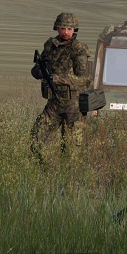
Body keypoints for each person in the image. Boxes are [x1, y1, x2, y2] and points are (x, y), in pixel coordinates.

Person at [31, 11, 93, 158]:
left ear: (74, 30)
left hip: (74, 105)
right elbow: (36, 69)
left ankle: (68, 172)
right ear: (57, 28)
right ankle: (43, 168)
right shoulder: (49, 46)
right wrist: (41, 73)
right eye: (63, 28)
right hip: (54, 103)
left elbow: (84, 79)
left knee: (71, 149)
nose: (66, 32)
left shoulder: (78, 49)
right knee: (37, 136)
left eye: (69, 29)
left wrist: (59, 79)